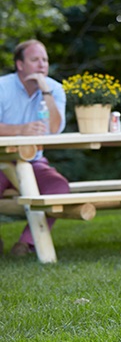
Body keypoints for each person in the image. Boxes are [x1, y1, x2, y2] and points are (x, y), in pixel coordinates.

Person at [0, 40, 70, 256]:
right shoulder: (2, 87)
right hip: (1, 159)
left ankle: (26, 243)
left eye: (45, 60)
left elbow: (55, 129)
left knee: (60, 189)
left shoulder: (54, 89)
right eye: (35, 59)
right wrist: (20, 130)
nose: (42, 65)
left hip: (33, 160)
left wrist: (46, 92)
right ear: (20, 65)